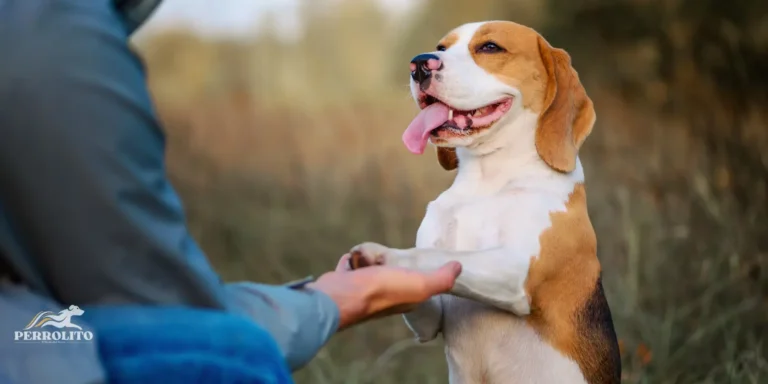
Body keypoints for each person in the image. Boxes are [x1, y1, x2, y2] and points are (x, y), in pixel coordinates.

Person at [0, 1, 462, 383]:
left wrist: (324, 299)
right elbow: (176, 323)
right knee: (230, 360)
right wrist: (338, 302)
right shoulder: (53, 40)